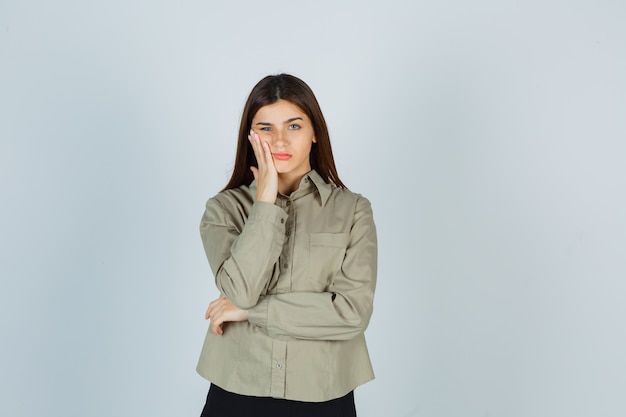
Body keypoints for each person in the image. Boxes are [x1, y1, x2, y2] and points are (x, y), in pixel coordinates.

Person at [197, 74, 377, 417]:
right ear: (250, 137)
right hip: (236, 391)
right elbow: (242, 290)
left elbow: (352, 313)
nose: (279, 140)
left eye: (293, 126)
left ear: (314, 134)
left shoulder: (354, 211)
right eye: (266, 128)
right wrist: (265, 202)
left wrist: (251, 314)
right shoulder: (223, 210)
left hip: (324, 393)